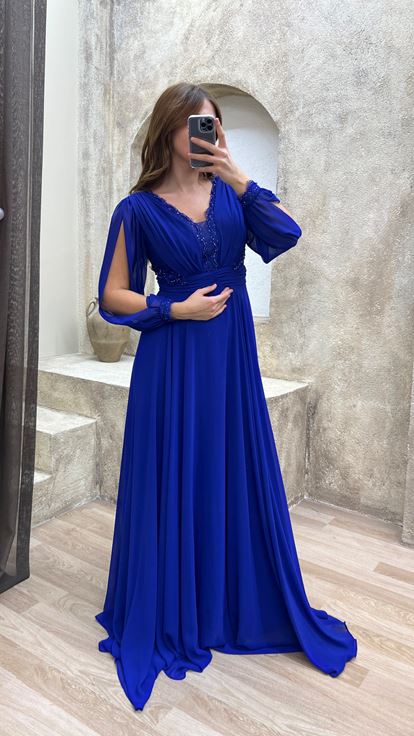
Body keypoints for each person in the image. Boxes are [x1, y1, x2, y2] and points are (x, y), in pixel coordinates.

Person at [95, 82, 357, 711]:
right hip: (171, 360)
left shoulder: (233, 196)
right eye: (192, 123)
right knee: (175, 475)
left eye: (212, 123)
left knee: (229, 472)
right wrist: (171, 308)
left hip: (230, 362)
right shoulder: (136, 209)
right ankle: (172, 606)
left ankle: (227, 600)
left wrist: (237, 175)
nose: (204, 132)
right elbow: (112, 295)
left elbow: (286, 232)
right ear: (167, 132)